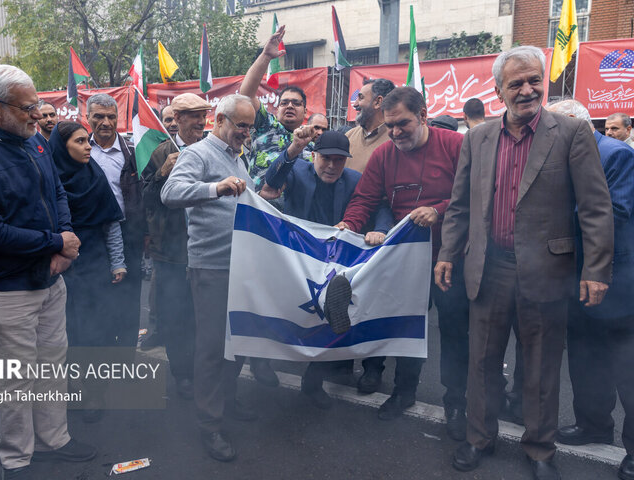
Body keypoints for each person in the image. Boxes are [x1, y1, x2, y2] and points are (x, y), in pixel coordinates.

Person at [434, 46, 614, 480]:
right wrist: (446, 252)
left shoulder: (571, 133)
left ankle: (539, 449)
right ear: (499, 91)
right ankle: (479, 437)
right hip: (488, 268)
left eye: (534, 80)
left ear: (544, 83)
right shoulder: (476, 138)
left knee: (540, 366)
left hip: (547, 271)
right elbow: (460, 205)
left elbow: (595, 206)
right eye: (516, 83)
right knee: (481, 362)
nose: (527, 89)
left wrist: (595, 269)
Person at [0, 64, 96, 480]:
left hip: (50, 275)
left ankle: (55, 439)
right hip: (6, 285)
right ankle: (17, 460)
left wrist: (63, 239)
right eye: (28, 107)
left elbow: (57, 191)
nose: (38, 114)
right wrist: (54, 244)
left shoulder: (34, 141)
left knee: (50, 366)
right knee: (17, 378)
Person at [334, 87, 468, 442]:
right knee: (406, 329)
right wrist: (348, 223)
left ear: (423, 116)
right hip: (407, 261)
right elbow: (365, 198)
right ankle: (403, 392)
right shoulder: (383, 156)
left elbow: (475, 195)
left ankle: (456, 403)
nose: (395, 133)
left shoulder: (454, 146)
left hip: (452, 257)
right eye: (390, 126)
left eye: (403, 124)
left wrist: (438, 211)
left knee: (455, 333)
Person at [262, 129, 392, 409]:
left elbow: (379, 207)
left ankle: (312, 383)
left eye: (339, 160)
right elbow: (270, 182)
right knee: (275, 311)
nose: (332, 166)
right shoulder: (296, 169)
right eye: (326, 159)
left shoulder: (355, 180)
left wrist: (380, 230)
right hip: (294, 259)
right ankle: (261, 363)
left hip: (332, 264)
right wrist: (293, 149)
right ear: (314, 155)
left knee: (331, 321)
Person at [161, 94, 258, 462]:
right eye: (240, 125)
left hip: (242, 266)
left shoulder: (238, 156)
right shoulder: (198, 154)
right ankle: (210, 425)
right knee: (212, 348)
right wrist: (215, 188)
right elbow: (171, 192)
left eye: (249, 126)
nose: (245, 133)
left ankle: (227, 403)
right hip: (211, 267)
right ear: (219, 121)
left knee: (238, 342)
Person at [546, 100, 634, 480]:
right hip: (573, 275)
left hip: (617, 279)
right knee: (584, 358)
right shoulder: (563, 156)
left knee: (626, 367)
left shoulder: (616, 154)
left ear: (574, 126)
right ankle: (593, 425)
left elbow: (613, 211)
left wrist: (550, 216)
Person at [49, 121, 126, 422]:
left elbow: (111, 224)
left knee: (96, 330)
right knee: (66, 333)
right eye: (80, 141)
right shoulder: (48, 179)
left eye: (88, 142)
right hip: (60, 268)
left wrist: (117, 261)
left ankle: (95, 393)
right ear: (61, 146)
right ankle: (70, 388)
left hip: (94, 264)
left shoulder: (95, 176)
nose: (88, 147)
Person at [141, 93, 212, 398]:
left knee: (204, 314)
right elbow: (144, 198)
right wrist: (161, 174)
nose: (200, 121)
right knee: (174, 314)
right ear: (178, 119)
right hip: (171, 252)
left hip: (207, 247)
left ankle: (204, 372)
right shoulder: (160, 153)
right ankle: (182, 373)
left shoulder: (213, 149)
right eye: (193, 115)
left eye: (203, 114)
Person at [87, 93, 145, 360]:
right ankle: (101, 356)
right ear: (87, 118)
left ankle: (125, 358)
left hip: (128, 233)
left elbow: (145, 195)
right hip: (92, 237)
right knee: (98, 297)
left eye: (111, 116)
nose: (106, 122)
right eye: (99, 116)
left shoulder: (133, 153)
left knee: (130, 299)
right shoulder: (78, 150)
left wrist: (145, 233)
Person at [241, 25, 313, 190]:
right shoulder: (266, 125)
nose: (289, 106)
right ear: (277, 108)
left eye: (296, 103)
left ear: (305, 111)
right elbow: (246, 95)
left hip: (295, 214)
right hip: (261, 208)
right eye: (284, 102)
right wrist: (266, 56)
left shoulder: (311, 145)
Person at [346, 78, 396, 173]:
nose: (355, 104)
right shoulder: (349, 136)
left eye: (361, 98)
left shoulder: (397, 140)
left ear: (378, 102)